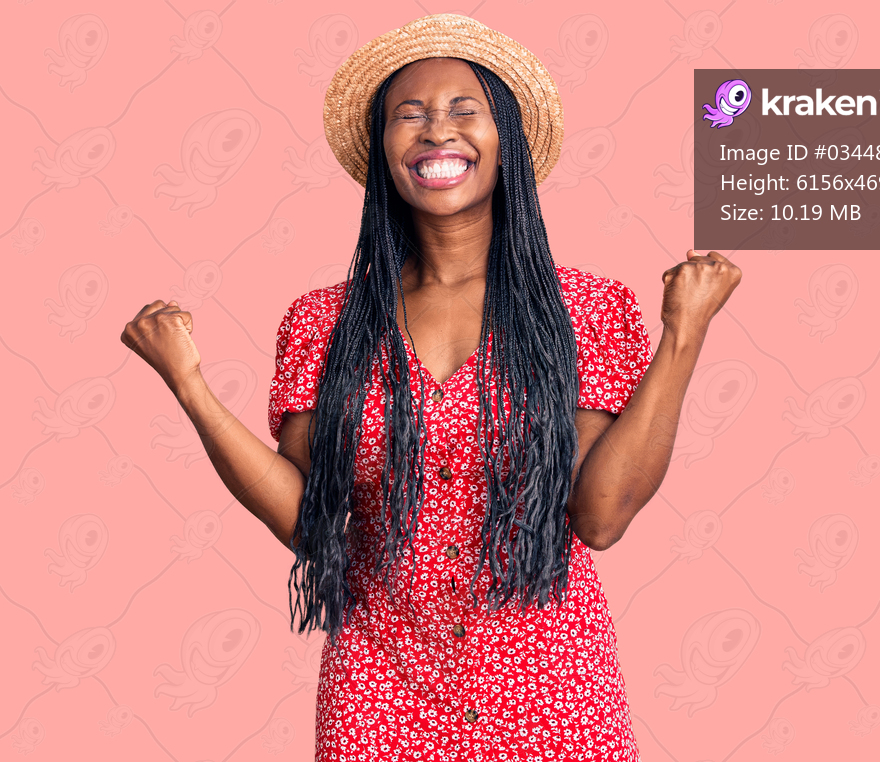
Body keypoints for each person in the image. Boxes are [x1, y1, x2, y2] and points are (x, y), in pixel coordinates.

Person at [120, 13, 741, 761]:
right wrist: (189, 385)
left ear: (506, 140)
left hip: (552, 690)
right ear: (383, 148)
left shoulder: (585, 309)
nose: (436, 130)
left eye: (463, 110)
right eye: (408, 114)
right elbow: (310, 525)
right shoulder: (323, 323)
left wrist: (683, 334)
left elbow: (600, 518)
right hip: (378, 691)